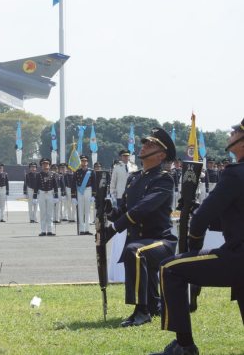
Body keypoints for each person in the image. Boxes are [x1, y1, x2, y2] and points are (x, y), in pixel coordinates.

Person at [152, 118, 244, 355]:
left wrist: (193, 245)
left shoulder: (234, 175)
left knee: (170, 268)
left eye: (237, 131)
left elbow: (201, 219)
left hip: (239, 257)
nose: (232, 132)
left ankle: (184, 346)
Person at [101, 127, 177, 327]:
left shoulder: (164, 179)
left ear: (161, 155)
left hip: (160, 241)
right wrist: (110, 211)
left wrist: (115, 228)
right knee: (135, 249)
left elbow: (143, 209)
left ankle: (141, 311)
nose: (144, 147)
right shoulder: (133, 178)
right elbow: (125, 211)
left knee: (134, 251)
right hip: (139, 241)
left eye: (150, 145)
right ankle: (153, 306)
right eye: (145, 144)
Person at [33, 158, 58, 236]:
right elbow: (36, 185)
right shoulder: (38, 175)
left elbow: (55, 186)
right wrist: (34, 196)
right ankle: (43, 230)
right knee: (43, 213)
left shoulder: (53, 174)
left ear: (49, 166)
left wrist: (56, 196)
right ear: (41, 166)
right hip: (42, 194)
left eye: (47, 164)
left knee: (50, 213)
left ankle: (50, 230)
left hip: (50, 193)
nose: (45, 166)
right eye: (44, 164)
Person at [71, 155, 95, 235]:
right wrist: (73, 196)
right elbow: (73, 184)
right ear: (80, 162)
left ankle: (87, 229)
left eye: (85, 161)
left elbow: (94, 183)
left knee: (87, 210)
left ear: (87, 162)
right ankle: (81, 229)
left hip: (88, 190)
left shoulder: (91, 171)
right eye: (82, 161)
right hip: (80, 191)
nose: (84, 162)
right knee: (80, 210)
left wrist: (93, 195)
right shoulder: (77, 172)